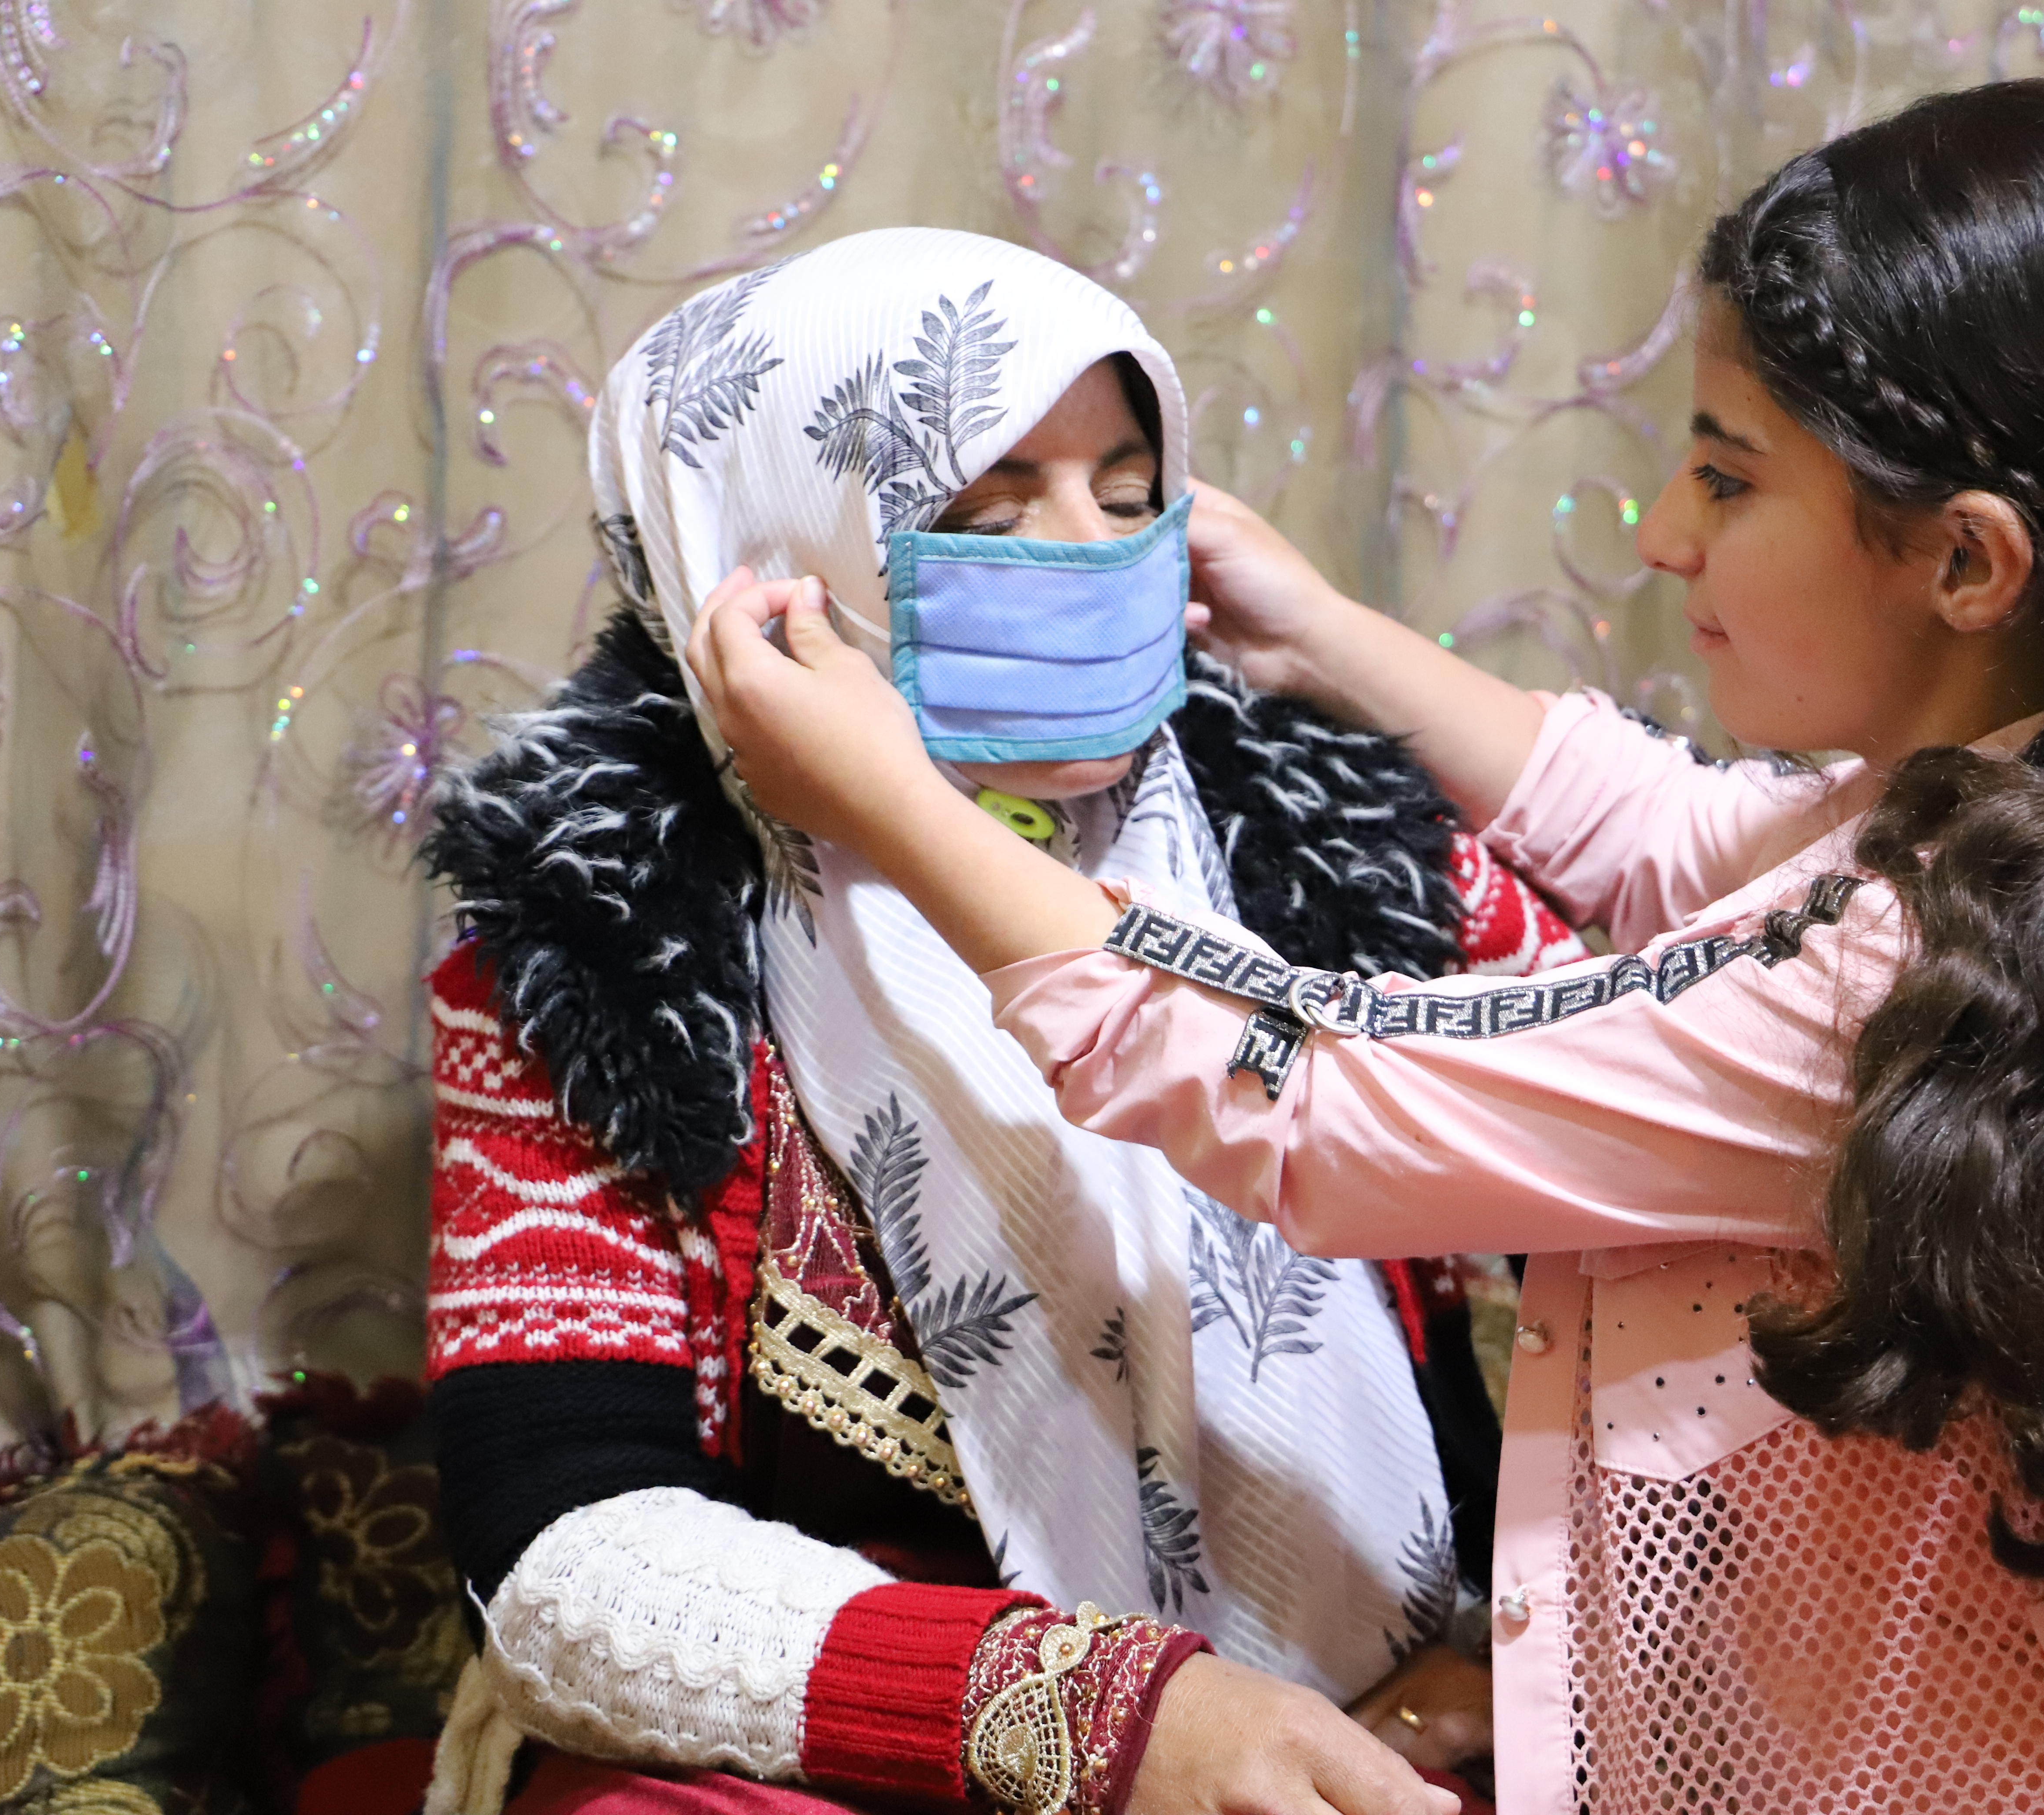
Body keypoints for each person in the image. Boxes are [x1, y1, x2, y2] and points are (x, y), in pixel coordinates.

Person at [682, 84, 2044, 1812]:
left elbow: (1308, 1093)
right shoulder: (2040, 805)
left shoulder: (1912, 971)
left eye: (1725, 476)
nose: (1666, 535)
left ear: (1968, 564)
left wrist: (899, 804)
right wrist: (1332, 634)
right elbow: (1667, 833)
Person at [416, 226, 1581, 1815]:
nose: (1085, 553)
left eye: (1125, 492)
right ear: (780, 540)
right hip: (895, 1748)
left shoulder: (1353, 861)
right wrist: (1098, 1722)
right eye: (983, 508)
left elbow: (1680, 1261)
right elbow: (567, 1545)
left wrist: (1542, 1650)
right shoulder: (607, 945)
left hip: (1380, 1726)